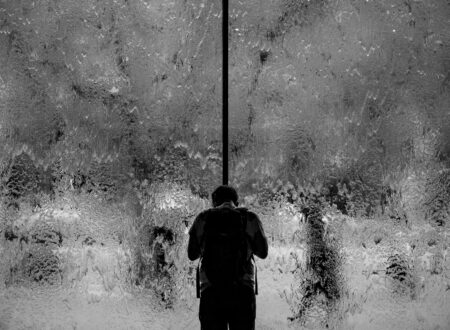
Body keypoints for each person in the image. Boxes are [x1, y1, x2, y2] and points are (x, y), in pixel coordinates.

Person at [188, 185, 268, 330]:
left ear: (214, 202)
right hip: (242, 291)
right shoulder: (249, 218)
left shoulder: (203, 218)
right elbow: (263, 252)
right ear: (236, 202)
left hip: (211, 291)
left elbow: (192, 254)